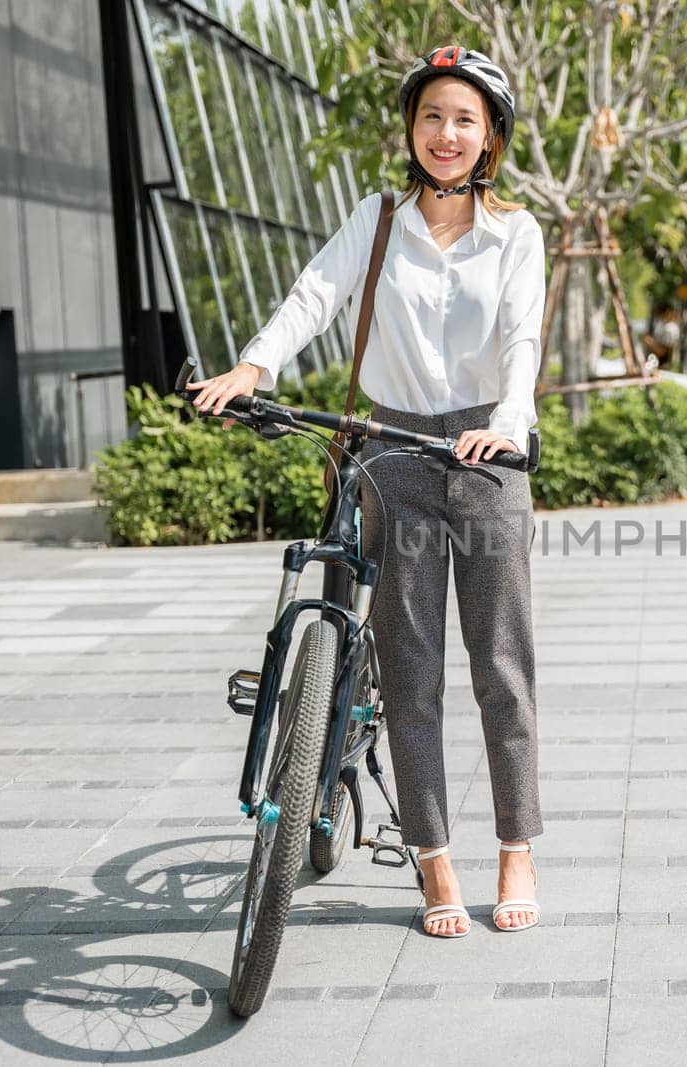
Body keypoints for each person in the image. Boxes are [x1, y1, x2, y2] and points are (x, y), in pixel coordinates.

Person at [187, 46, 545, 939]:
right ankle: (433, 859)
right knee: (413, 673)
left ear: (490, 136)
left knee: (501, 669)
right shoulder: (377, 219)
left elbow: (522, 342)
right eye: (432, 117)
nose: (446, 133)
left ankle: (517, 849)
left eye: (465, 119)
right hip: (393, 450)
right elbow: (316, 294)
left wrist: (508, 420)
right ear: (412, 131)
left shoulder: (517, 234)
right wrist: (255, 362)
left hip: (488, 455)